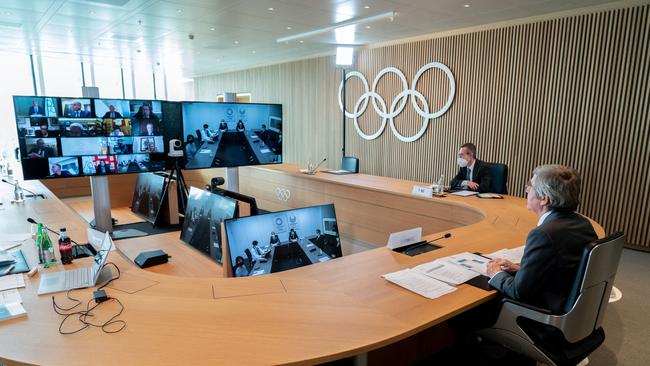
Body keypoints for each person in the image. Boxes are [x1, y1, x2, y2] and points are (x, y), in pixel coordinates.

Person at [487, 165, 598, 314]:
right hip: (570, 306)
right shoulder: (583, 224)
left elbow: (518, 292)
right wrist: (519, 269)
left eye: (530, 186)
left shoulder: (543, 234)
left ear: (544, 198)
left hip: (543, 313)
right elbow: (563, 270)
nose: (526, 190)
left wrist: (495, 273)